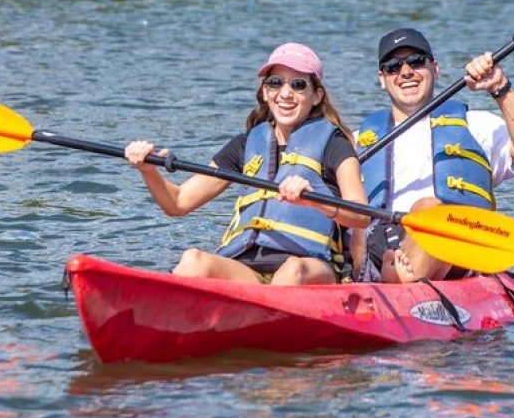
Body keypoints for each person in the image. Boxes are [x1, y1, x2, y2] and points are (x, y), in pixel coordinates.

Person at [125, 42, 369, 286]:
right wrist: (149, 172)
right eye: (275, 82)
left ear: (317, 95)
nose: (285, 93)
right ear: (264, 91)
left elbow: (361, 214)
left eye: (298, 84)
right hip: (247, 266)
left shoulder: (335, 144)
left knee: (292, 271)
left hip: (310, 267)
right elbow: (177, 203)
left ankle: (264, 320)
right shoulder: (246, 144)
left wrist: (314, 200)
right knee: (193, 260)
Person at [351, 28, 514, 283]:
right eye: (393, 66)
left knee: (429, 207)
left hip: (452, 242)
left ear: (435, 68)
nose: (406, 72)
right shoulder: (356, 141)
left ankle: (399, 282)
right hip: (377, 244)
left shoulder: (475, 125)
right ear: (382, 77)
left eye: (416, 61)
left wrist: (499, 86)